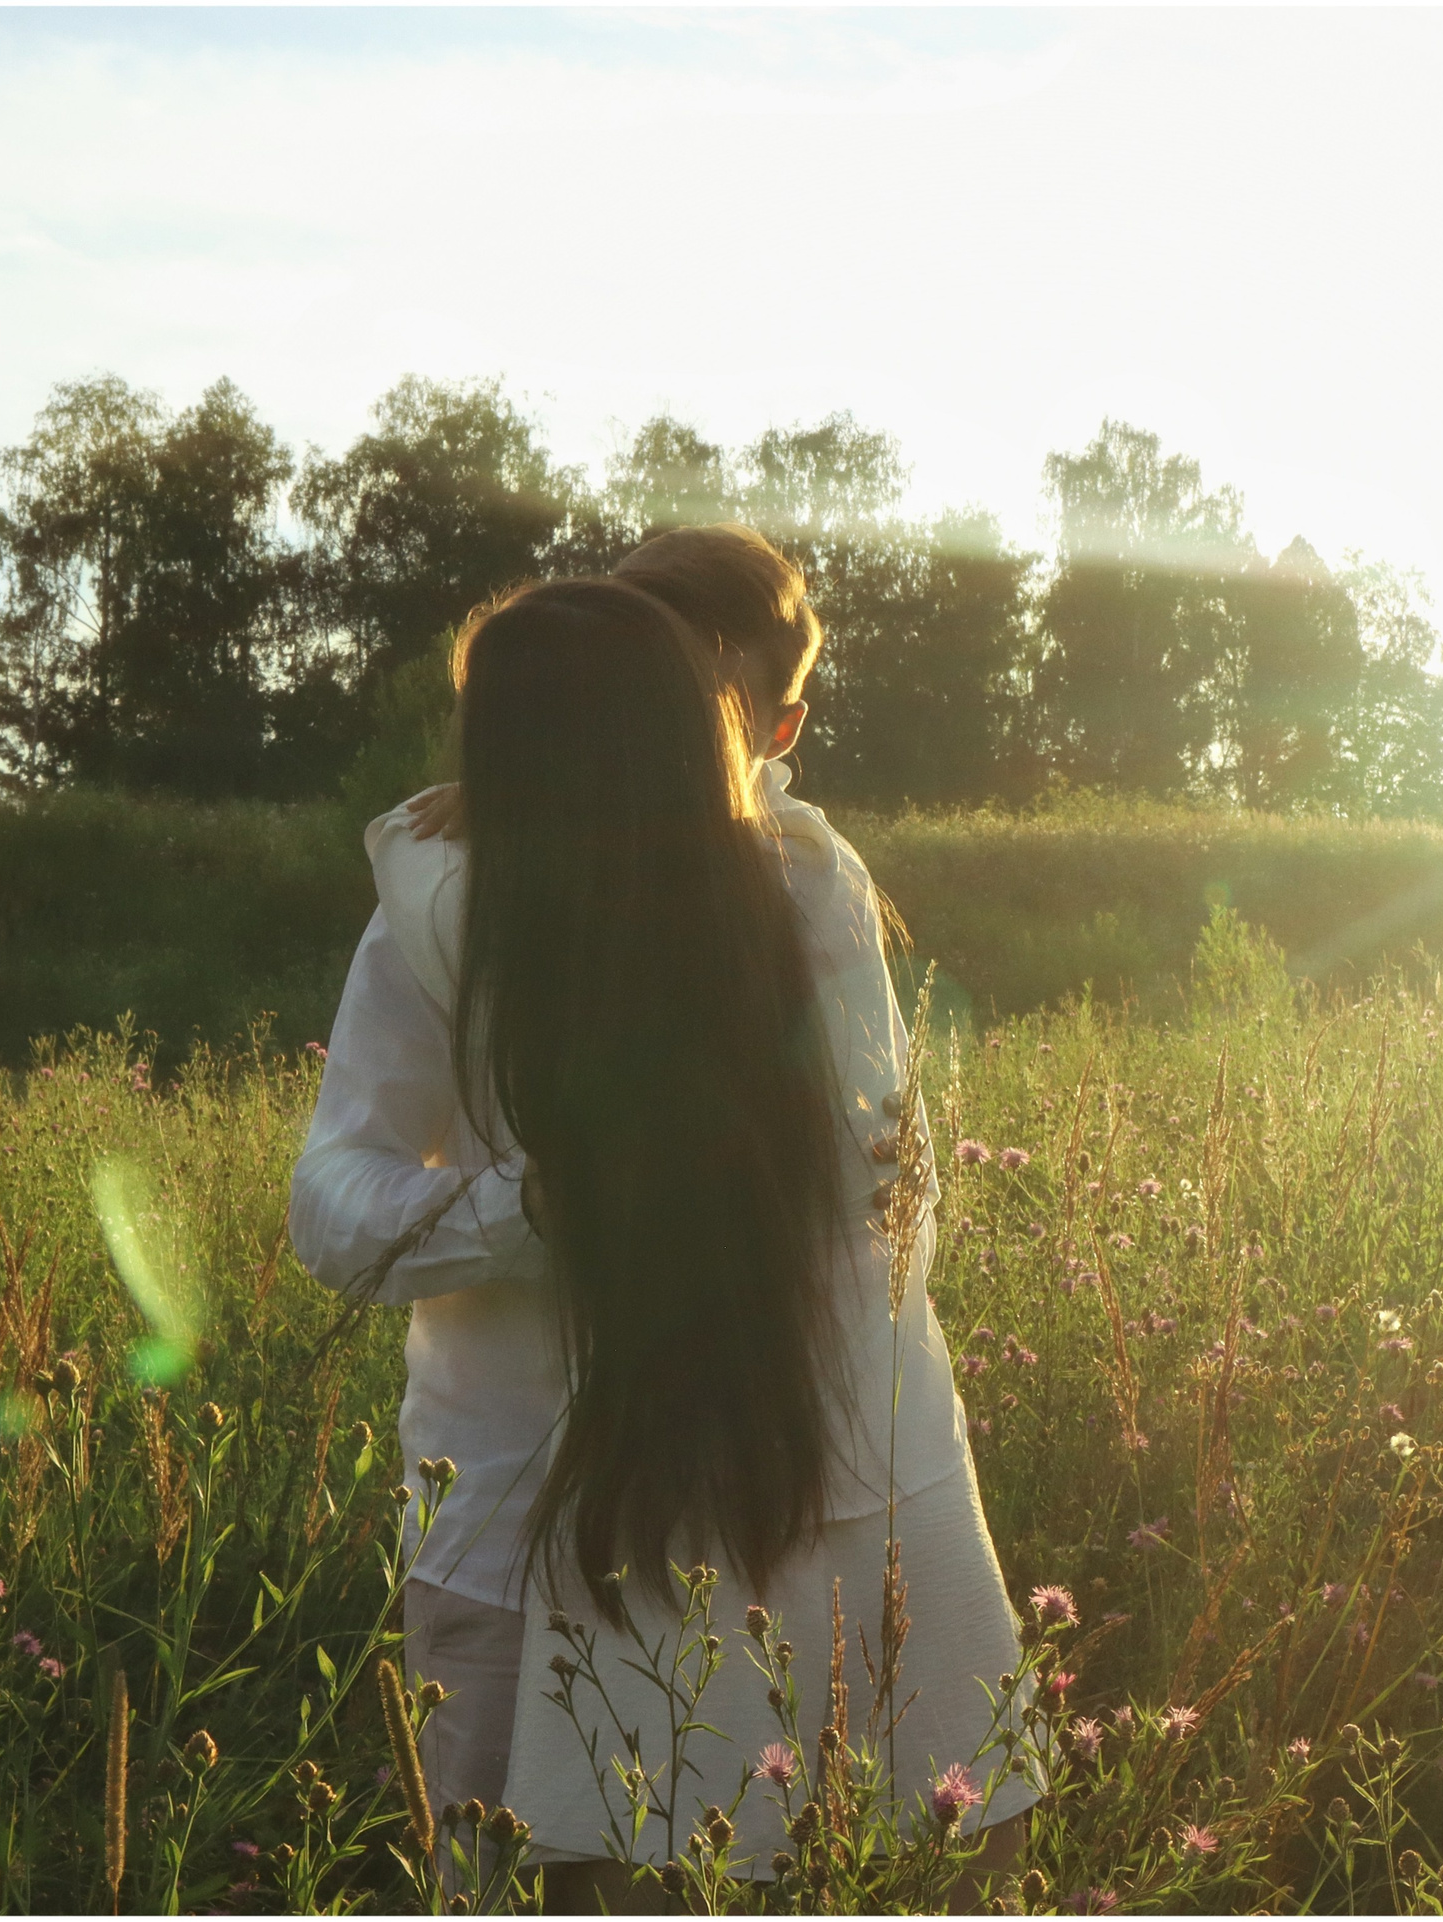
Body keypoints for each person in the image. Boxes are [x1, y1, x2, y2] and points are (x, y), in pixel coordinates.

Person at [288, 529, 1034, 1908]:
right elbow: (332, 1213)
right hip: (505, 1523)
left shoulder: (805, 892)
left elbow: (874, 1208)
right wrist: (550, 1205)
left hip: (773, 1505)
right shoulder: (437, 907)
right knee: (521, 1886)